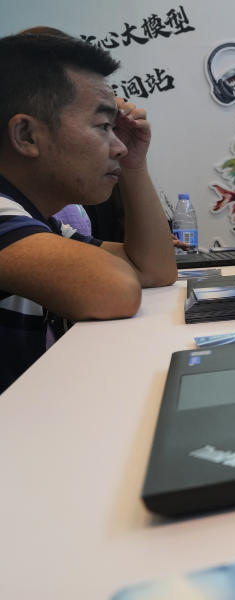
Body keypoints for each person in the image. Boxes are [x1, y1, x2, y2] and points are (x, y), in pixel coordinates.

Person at [0, 33, 177, 392]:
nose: (118, 146)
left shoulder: (41, 225)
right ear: (26, 135)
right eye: (103, 127)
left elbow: (154, 270)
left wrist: (133, 164)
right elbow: (113, 290)